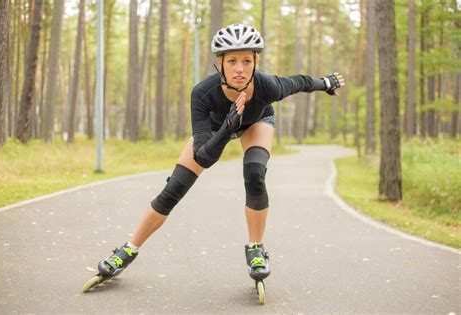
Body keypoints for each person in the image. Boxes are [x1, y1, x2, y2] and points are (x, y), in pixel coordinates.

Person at [93, 23, 345, 284]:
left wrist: (325, 83)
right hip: (215, 130)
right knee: (174, 189)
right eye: (232, 60)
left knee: (255, 174)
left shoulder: (267, 86)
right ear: (220, 63)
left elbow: (299, 83)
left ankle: (256, 249)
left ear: (255, 62)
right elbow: (204, 157)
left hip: (257, 122)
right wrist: (227, 128)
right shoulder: (203, 93)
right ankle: (128, 250)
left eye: (247, 61)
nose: (240, 68)